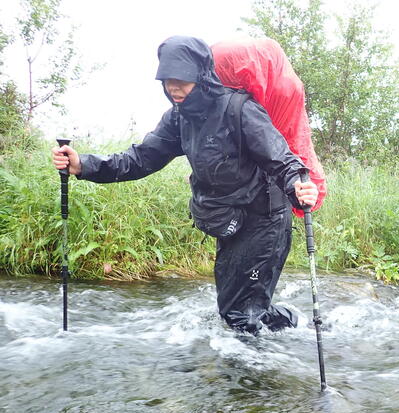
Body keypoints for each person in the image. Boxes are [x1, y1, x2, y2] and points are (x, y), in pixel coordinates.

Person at [52, 35, 318, 335]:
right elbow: (141, 158)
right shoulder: (179, 118)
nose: (173, 87)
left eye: (182, 80)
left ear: (202, 75)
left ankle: (253, 378)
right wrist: (83, 165)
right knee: (234, 309)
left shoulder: (239, 109)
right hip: (232, 221)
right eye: (167, 80)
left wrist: (299, 185)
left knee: (240, 317)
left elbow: (280, 158)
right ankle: (296, 326)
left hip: (266, 220)